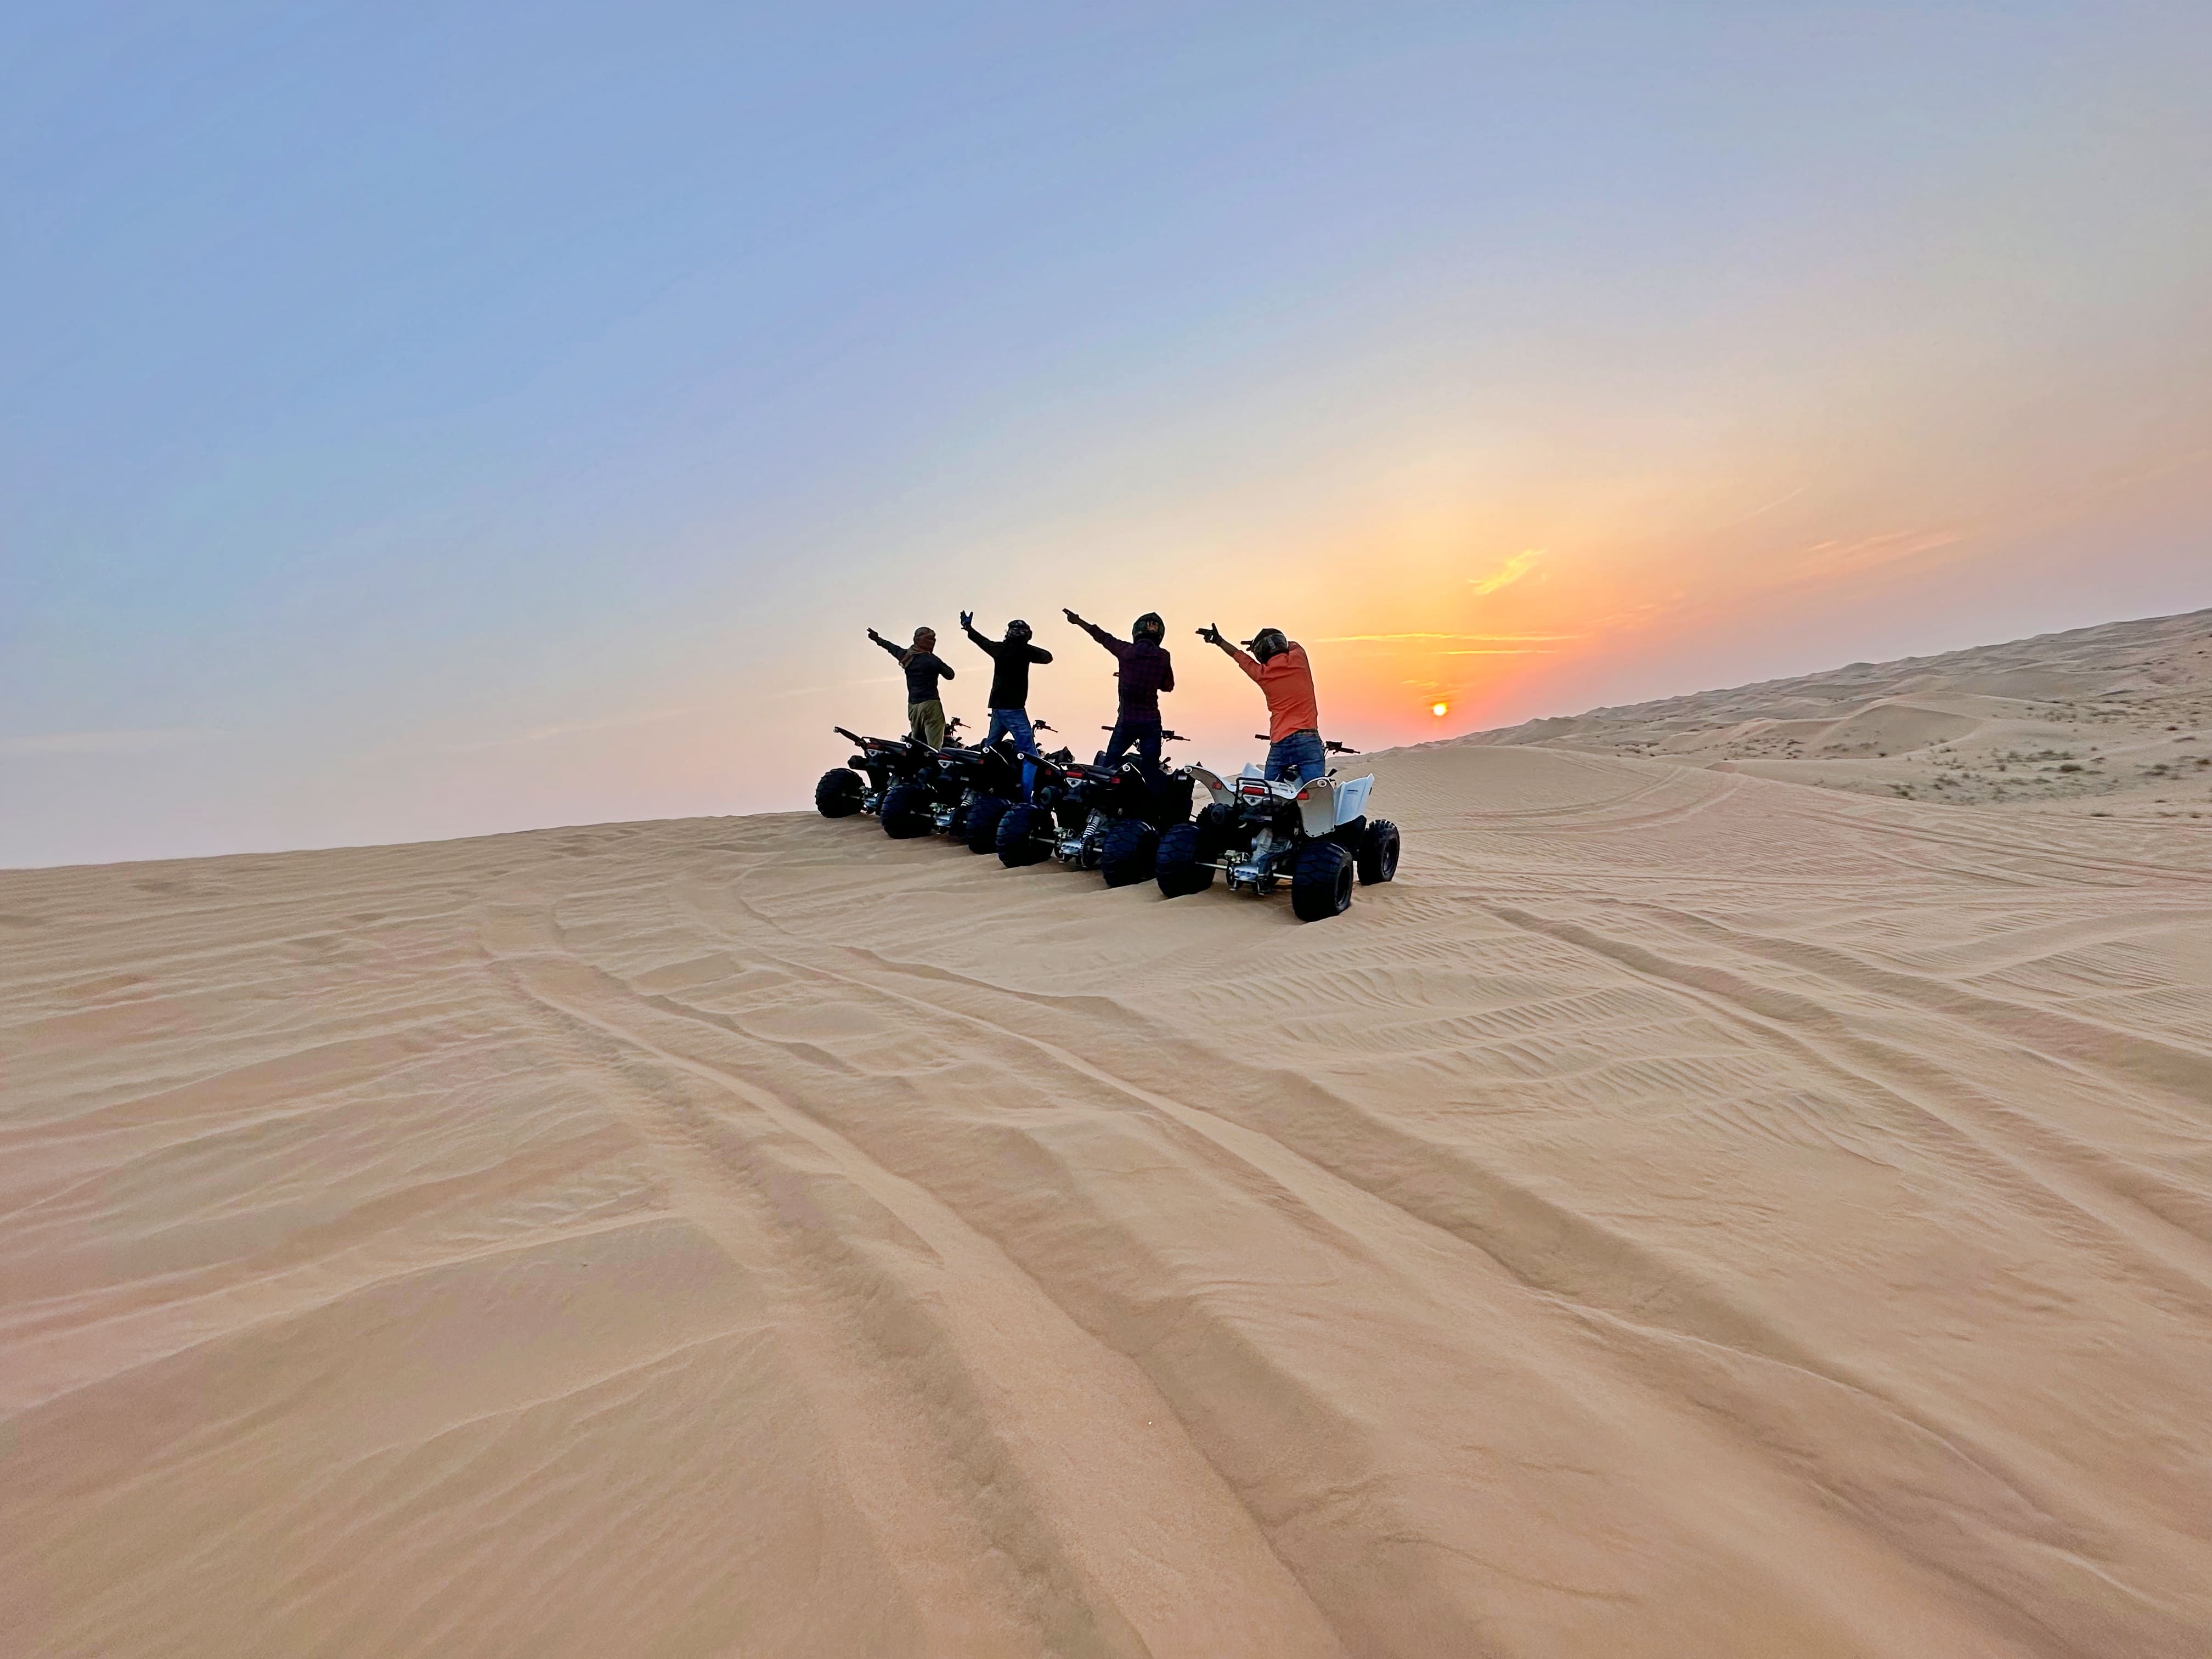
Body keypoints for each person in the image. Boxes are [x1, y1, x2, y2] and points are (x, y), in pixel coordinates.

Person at [1199, 623, 1326, 782]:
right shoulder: (1299, 658)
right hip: (1308, 740)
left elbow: (1238, 655)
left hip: (1281, 742)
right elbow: (1292, 644)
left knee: (1270, 796)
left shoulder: (1261, 673)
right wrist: (1261, 643)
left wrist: (1219, 641)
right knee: (1316, 795)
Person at [1065, 608, 1173, 768]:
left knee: (1107, 768)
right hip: (1151, 722)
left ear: (1137, 630)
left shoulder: (1126, 651)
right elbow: (1168, 686)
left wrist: (1077, 621)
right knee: (1151, 770)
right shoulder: (1163, 655)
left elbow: (1102, 636)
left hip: (1127, 721)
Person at [960, 610, 1052, 794]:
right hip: (1014, 710)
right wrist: (1026, 646)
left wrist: (968, 627)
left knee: (989, 750)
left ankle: (977, 790)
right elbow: (1048, 657)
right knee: (1031, 756)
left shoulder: (999, 649)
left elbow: (981, 641)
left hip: (997, 709)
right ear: (1027, 636)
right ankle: (1027, 800)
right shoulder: (1025, 651)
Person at [867, 624, 955, 748]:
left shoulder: (907, 656)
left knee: (917, 746)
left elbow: (891, 648)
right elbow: (950, 674)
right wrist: (935, 660)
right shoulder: (932, 660)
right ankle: (931, 766)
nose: (933, 642)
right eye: (931, 640)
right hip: (930, 705)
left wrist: (877, 639)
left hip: (913, 707)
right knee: (934, 748)